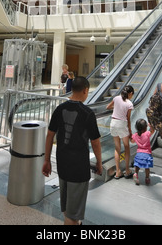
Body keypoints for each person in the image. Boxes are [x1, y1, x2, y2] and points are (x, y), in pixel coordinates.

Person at [42, 76, 102, 226]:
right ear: (85, 90)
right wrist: (99, 163)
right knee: (72, 215)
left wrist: (47, 160)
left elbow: (50, 135)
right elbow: (95, 142)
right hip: (79, 168)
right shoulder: (87, 113)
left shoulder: (59, 108)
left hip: (62, 164)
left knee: (67, 206)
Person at [106, 86, 134, 179]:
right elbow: (128, 119)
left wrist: (116, 107)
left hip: (113, 123)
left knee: (117, 148)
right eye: (132, 95)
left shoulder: (116, 98)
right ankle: (127, 170)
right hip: (122, 124)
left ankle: (118, 172)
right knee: (126, 147)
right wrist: (130, 131)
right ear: (130, 93)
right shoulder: (129, 103)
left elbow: (108, 107)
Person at [131, 119, 155, 185]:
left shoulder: (135, 135)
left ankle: (136, 174)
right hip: (147, 153)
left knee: (137, 166)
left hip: (139, 153)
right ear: (145, 127)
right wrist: (151, 126)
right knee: (147, 167)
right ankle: (147, 178)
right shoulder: (147, 134)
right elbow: (153, 131)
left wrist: (130, 134)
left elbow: (132, 141)